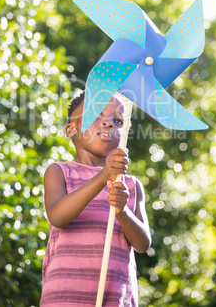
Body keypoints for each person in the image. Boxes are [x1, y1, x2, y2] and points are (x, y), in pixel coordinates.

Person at [40, 91, 151, 306]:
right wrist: (102, 177)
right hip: (65, 296)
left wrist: (122, 211)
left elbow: (142, 243)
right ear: (72, 129)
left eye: (118, 120)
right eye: (96, 114)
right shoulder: (59, 172)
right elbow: (58, 217)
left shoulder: (130, 185)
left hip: (116, 297)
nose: (108, 123)